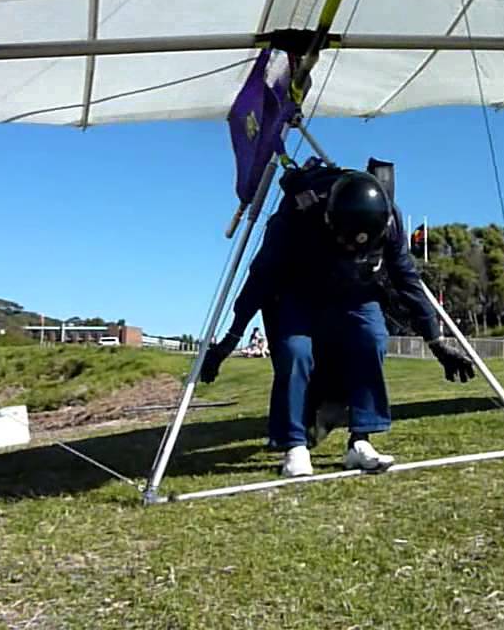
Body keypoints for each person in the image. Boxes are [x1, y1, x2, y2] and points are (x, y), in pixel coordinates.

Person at [199, 161, 476, 478]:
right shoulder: (296, 213)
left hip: (354, 291)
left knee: (371, 338)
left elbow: (407, 281)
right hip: (297, 290)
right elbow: (261, 276)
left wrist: (436, 341)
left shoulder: (390, 221)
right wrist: (230, 339)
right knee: (295, 352)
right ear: (329, 218)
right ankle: (295, 446)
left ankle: (360, 441)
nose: (348, 247)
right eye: (343, 240)